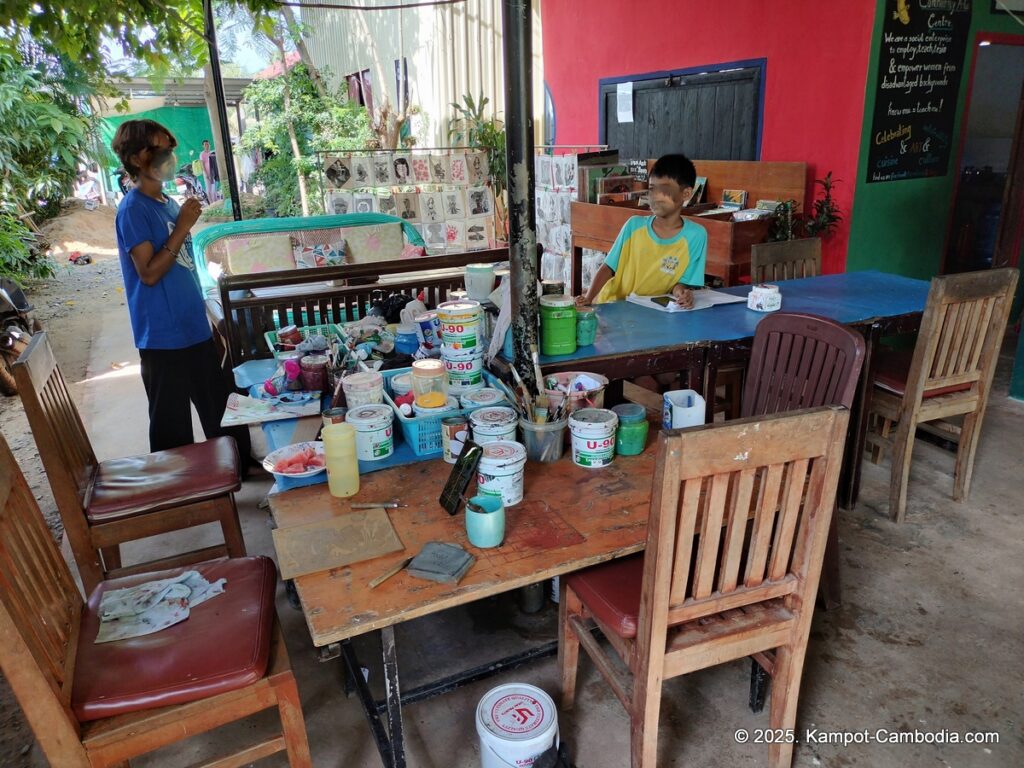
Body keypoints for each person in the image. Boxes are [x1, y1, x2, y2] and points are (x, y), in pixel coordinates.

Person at [111, 119, 250, 463]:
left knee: (222, 409)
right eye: (159, 150)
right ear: (135, 158)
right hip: (161, 336)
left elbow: (184, 265)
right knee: (172, 428)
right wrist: (183, 226)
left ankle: (238, 467)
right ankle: (178, 492)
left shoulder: (167, 202)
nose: (168, 157)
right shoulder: (133, 210)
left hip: (192, 328)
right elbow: (149, 273)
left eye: (170, 149)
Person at [577, 154, 707, 307]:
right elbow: (608, 268)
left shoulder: (696, 236)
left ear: (686, 194)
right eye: (652, 189)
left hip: (653, 313)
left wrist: (683, 294)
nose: (655, 197)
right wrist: (589, 298)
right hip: (614, 306)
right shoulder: (634, 226)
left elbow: (680, 284)